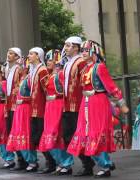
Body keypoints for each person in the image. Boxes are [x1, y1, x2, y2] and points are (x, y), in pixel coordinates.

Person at [67, 40, 129, 178]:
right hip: (86, 103)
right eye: (81, 50)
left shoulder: (99, 67)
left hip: (98, 103)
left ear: (93, 52)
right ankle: (104, 162)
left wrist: (121, 103)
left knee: (96, 134)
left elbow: (110, 86)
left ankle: (105, 166)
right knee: (84, 134)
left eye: (85, 50)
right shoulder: (84, 69)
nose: (83, 52)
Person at [60, 36, 93, 176]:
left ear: (76, 47)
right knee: (67, 136)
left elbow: (84, 83)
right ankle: (85, 162)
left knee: (78, 136)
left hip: (78, 106)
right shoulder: (67, 64)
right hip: (67, 106)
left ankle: (87, 164)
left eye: (68, 46)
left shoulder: (81, 62)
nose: (65, 48)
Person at [38, 49, 69, 174]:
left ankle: (66, 163)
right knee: (49, 135)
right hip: (50, 107)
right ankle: (60, 162)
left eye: (50, 60)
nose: (48, 62)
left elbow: (66, 92)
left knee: (56, 134)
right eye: (47, 60)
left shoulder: (61, 74)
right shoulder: (51, 75)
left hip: (58, 106)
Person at [1, 47, 27, 170]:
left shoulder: (19, 69)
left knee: (17, 132)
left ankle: (24, 161)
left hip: (17, 105)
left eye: (11, 53)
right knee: (11, 133)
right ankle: (19, 159)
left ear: (17, 57)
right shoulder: (8, 69)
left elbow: (23, 85)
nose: (8, 55)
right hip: (9, 105)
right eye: (8, 52)